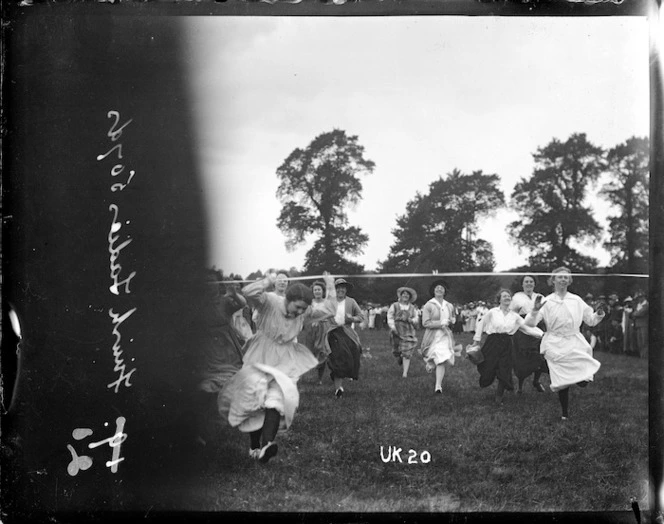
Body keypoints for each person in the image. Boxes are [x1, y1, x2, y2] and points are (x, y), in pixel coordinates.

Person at [218, 270, 336, 463]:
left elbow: (329, 310)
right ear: (288, 299)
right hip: (261, 353)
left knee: (277, 400)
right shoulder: (270, 301)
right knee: (256, 400)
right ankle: (254, 446)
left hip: (286, 358)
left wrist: (329, 284)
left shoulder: (305, 311)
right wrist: (268, 281)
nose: (299, 313)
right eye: (297, 307)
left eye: (302, 310)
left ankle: (267, 446)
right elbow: (248, 292)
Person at [525, 267, 605, 421]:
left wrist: (599, 313)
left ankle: (560, 373)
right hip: (555, 342)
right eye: (560, 277)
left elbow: (590, 320)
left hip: (574, 341)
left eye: (566, 277)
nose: (563, 280)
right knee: (563, 380)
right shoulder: (546, 301)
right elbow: (530, 323)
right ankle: (565, 413)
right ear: (553, 280)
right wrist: (535, 310)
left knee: (583, 380)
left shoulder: (576, 300)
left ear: (569, 280)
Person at [468, 289, 544, 405]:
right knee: (488, 367)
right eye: (504, 296)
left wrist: (542, 334)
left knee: (504, 369)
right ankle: (488, 377)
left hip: (507, 343)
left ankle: (499, 396)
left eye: (509, 296)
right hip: (492, 342)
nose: (507, 298)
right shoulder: (492, 312)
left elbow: (526, 328)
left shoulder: (515, 316)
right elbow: (481, 324)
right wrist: (476, 341)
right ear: (499, 299)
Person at [510, 275, 548, 394]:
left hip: (538, 327)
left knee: (540, 356)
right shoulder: (517, 297)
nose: (529, 284)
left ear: (534, 284)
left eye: (531, 281)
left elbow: (546, 314)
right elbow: (512, 313)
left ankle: (536, 381)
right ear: (522, 284)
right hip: (522, 329)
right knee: (522, 358)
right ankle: (520, 386)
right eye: (526, 281)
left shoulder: (540, 297)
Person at [326, 278, 364, 398]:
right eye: (338, 287)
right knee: (338, 356)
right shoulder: (329, 301)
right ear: (335, 289)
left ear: (346, 289)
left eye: (343, 287)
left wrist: (351, 318)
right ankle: (338, 388)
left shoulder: (351, 302)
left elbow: (361, 316)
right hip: (333, 332)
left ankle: (346, 374)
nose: (341, 290)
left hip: (347, 331)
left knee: (355, 350)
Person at [419, 279, 456, 395]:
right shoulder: (429, 305)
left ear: (445, 291)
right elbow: (425, 323)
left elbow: (452, 318)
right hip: (432, 337)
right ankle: (431, 363)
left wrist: (452, 321)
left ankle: (438, 386)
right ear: (433, 291)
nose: (439, 289)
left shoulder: (449, 305)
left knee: (442, 359)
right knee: (435, 357)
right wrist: (440, 323)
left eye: (442, 288)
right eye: (437, 288)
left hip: (445, 337)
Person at [301, 280, 335, 384]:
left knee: (322, 352)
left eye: (319, 289)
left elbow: (332, 313)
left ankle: (319, 378)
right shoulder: (309, 303)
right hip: (311, 330)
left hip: (323, 329)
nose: (317, 292)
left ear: (322, 291)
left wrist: (320, 318)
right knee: (310, 351)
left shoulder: (327, 302)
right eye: (315, 290)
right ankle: (305, 376)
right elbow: (304, 316)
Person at [387, 286, 420, 378]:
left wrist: (411, 320)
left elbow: (416, 318)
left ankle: (404, 373)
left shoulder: (413, 308)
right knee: (396, 350)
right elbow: (390, 317)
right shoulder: (394, 306)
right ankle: (399, 357)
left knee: (407, 351)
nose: (405, 295)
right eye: (403, 294)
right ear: (400, 296)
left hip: (408, 330)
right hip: (396, 330)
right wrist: (393, 327)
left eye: (407, 294)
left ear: (409, 297)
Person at [631, 290, 648, 359]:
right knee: (640, 341)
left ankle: (645, 356)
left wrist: (635, 313)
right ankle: (642, 355)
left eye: (639, 297)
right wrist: (635, 313)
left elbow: (640, 313)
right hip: (638, 324)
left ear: (643, 297)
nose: (638, 299)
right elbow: (635, 313)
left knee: (644, 341)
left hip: (644, 325)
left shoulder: (646, 305)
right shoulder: (639, 305)